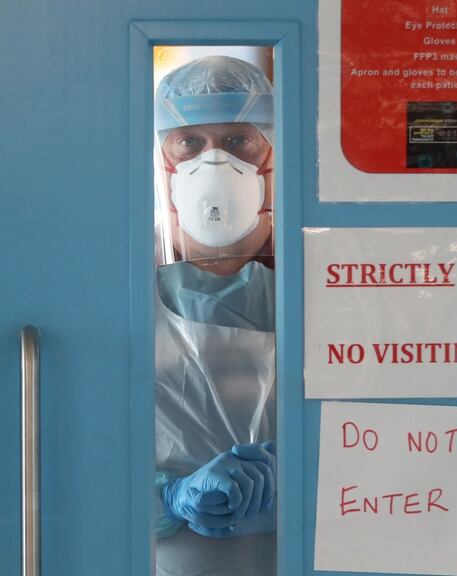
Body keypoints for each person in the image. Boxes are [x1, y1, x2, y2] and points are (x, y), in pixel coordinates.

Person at [153, 55, 277, 576]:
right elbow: (77, 454)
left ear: (273, 153)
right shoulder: (117, 286)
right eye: (190, 143)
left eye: (238, 140)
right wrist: (169, 498)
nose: (214, 163)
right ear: (164, 158)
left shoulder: (328, 283)